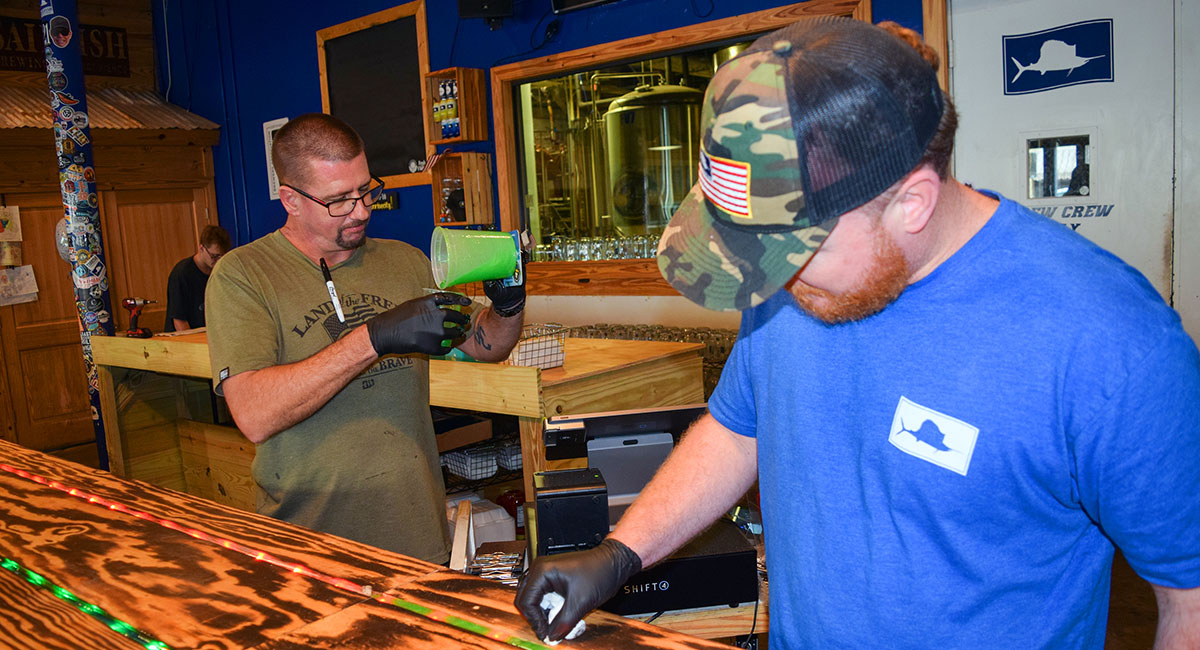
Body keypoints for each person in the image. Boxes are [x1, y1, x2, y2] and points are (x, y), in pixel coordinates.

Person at [515, 17, 1200, 648]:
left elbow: (1189, 598)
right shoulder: (791, 284)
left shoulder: (1111, 344)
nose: (774, 281)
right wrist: (621, 554)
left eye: (789, 253)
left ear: (913, 201)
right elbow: (739, 431)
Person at [204, 113, 524, 564]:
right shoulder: (243, 275)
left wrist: (508, 305)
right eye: (339, 200)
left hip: (417, 540)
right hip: (311, 550)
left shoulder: (404, 261)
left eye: (365, 190)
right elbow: (255, 414)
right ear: (290, 199)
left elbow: (484, 344)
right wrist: (374, 337)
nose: (361, 210)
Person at [164, 224, 231, 332]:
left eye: (222, 257)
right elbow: (179, 321)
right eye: (214, 256)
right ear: (201, 248)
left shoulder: (221, 272)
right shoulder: (181, 274)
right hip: (183, 337)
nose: (218, 261)